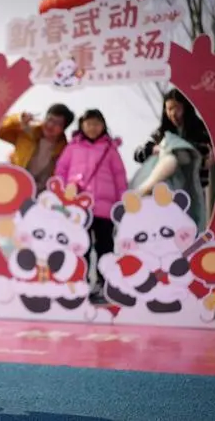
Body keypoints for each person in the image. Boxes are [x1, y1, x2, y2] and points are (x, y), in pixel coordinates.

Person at [54, 109, 128, 303]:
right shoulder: (72, 147)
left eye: (96, 124)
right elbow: (61, 170)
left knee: (105, 247)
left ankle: (105, 283)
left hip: (105, 207)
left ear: (103, 126)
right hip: (79, 207)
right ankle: (81, 282)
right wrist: (63, 191)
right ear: (82, 125)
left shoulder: (110, 149)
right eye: (88, 123)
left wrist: (122, 203)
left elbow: (119, 177)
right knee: (81, 247)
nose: (92, 127)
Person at [131, 89, 208, 230]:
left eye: (177, 108)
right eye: (169, 109)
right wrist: (153, 150)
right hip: (168, 190)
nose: (173, 113)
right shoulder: (160, 133)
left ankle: (142, 191)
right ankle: (144, 190)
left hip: (194, 187)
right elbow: (137, 154)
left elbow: (206, 159)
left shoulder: (201, 131)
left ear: (186, 107)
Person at [0, 103, 75, 194]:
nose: (50, 125)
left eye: (57, 123)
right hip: (10, 184)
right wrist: (18, 119)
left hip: (36, 195)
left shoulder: (64, 151)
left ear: (63, 129)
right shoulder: (28, 132)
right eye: (49, 119)